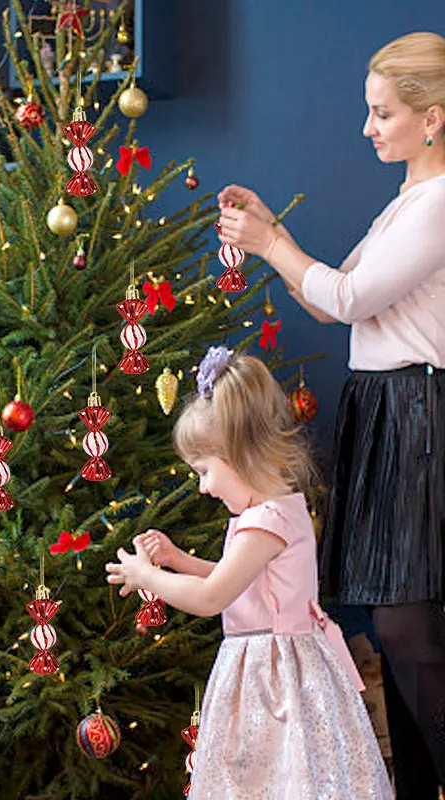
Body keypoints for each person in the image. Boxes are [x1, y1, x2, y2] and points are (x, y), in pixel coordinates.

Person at [215, 31, 445, 798]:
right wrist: (273, 234)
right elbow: (328, 293)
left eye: (382, 113)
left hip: (417, 415)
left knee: (408, 625)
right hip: (386, 411)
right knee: (396, 624)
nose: (368, 127)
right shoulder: (406, 205)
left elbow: (347, 299)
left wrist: (268, 242)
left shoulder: (439, 204)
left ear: (433, 118)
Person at [105, 347, 392, 799]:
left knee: (276, 778)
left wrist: (147, 577)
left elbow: (212, 598)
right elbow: (242, 581)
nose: (203, 487)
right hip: (269, 665)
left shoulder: (265, 523)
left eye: (204, 471)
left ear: (239, 454)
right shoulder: (274, 513)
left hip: (273, 678)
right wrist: (179, 560)